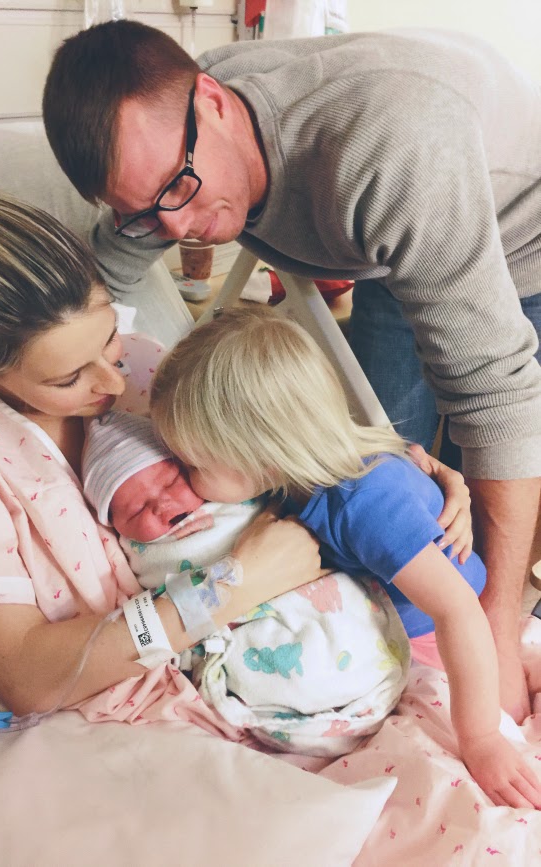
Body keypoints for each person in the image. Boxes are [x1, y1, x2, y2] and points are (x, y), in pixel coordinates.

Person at [42, 20, 541, 722]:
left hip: (520, 239)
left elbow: (497, 394)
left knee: (476, 504)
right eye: (143, 214)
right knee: (393, 460)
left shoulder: (393, 149)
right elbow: (91, 283)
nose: (176, 231)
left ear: (215, 101)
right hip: (387, 240)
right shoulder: (175, 148)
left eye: (179, 189)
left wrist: (494, 632)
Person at [0, 192, 326, 729]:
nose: (114, 383)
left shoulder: (142, 365)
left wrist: (384, 480)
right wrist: (232, 586)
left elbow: (265, 456)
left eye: (110, 336)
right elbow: (28, 676)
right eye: (68, 378)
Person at [147, 306, 541, 809]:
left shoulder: (362, 501)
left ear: (260, 454)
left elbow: (457, 610)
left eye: (191, 463)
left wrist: (482, 739)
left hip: (440, 637)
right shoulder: (310, 472)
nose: (181, 478)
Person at [81, 408, 411, 757]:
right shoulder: (136, 554)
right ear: (115, 526)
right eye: (137, 509)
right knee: (279, 674)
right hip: (239, 627)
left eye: (171, 481)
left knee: (348, 628)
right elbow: (156, 610)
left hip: (307, 588)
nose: (163, 503)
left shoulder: (230, 490)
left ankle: (362, 680)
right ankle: (304, 712)